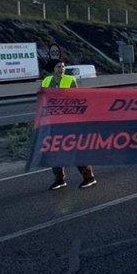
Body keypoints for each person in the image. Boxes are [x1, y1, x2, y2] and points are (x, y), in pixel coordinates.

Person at [41, 59, 97, 190]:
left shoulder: (70, 79)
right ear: (53, 69)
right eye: (58, 66)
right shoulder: (46, 81)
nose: (62, 69)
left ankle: (89, 177)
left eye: (63, 66)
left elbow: (75, 99)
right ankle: (59, 180)